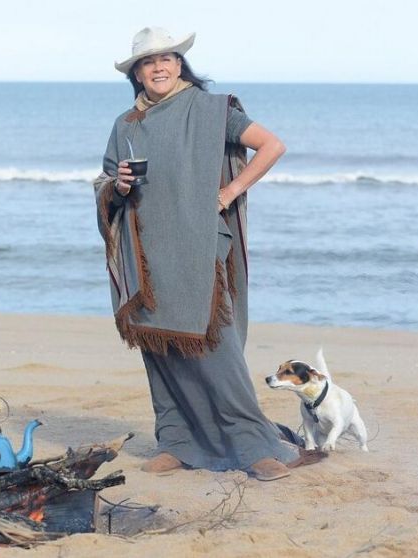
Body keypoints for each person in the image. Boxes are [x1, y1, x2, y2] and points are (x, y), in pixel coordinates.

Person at [94, 27, 298, 481]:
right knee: (161, 351)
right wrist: (119, 185)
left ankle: (253, 445)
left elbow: (272, 146)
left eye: (166, 58)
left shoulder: (212, 110)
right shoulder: (126, 124)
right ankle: (177, 442)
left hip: (198, 247)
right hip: (145, 254)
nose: (159, 67)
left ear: (179, 64)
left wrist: (228, 192)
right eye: (148, 62)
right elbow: (106, 183)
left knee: (217, 350)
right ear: (137, 74)